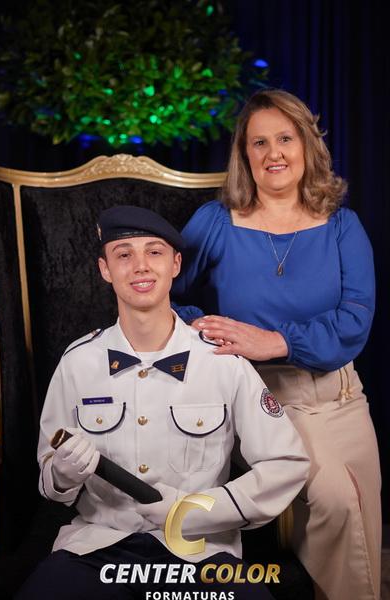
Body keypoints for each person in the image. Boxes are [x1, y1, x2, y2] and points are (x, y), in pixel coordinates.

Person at [16, 205, 309, 600]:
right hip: (97, 549)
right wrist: (63, 475)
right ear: (105, 269)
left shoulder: (223, 362)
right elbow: (51, 483)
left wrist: (195, 510)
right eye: (123, 254)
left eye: (154, 252)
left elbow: (286, 464)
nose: (140, 265)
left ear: (175, 264)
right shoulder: (77, 362)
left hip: (200, 552)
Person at [171, 89, 381, 600]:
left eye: (285, 138)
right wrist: (212, 329)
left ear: (307, 144)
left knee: (361, 520)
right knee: (337, 499)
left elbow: (354, 322)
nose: (274, 153)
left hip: (339, 395)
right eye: (259, 143)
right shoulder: (216, 223)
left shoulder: (342, 225)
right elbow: (167, 297)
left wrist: (276, 340)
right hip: (260, 399)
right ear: (244, 154)